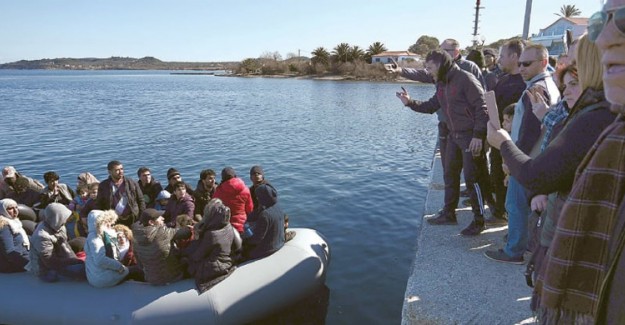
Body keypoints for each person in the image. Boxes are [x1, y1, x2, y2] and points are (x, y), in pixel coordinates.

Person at [485, 34, 613, 266]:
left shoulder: (595, 114)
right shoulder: (592, 106)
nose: (564, 68)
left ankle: (514, 249)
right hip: (545, 173)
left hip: (535, 170)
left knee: (515, 207)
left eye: (573, 63)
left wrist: (505, 148)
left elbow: (535, 147)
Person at [396, 49, 489, 236]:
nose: (427, 71)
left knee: (472, 179)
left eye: (429, 67)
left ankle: (479, 221)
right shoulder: (441, 82)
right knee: (449, 174)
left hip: (471, 137)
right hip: (454, 135)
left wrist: (478, 135)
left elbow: (483, 107)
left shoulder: (465, 79)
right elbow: (432, 106)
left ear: (440, 65)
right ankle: (449, 213)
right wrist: (409, 102)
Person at [499, 43, 561, 263]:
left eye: (527, 63)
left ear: (543, 62)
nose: (521, 67)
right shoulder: (552, 84)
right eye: (520, 63)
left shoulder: (535, 90)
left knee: (515, 205)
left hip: (527, 160)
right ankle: (523, 243)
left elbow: (528, 133)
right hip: (540, 159)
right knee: (525, 207)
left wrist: (511, 159)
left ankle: (513, 250)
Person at [487, 40, 529, 222]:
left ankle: (507, 215)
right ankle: (499, 209)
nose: (499, 60)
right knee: (496, 171)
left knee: (510, 176)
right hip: (498, 134)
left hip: (515, 140)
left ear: (514, 56)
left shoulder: (525, 83)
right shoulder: (503, 80)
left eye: (502, 56)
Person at [186, 198, 239, 293]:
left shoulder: (211, 234)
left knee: (187, 261)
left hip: (216, 266)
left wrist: (195, 240)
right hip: (228, 260)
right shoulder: (228, 226)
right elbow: (237, 245)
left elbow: (197, 256)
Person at [132, 208, 191, 285]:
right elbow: (186, 233)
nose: (163, 218)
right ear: (151, 222)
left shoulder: (136, 238)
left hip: (151, 280)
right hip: (172, 278)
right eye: (159, 217)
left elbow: (139, 264)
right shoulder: (162, 232)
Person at [28, 203, 86, 282]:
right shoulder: (42, 236)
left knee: (84, 265)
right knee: (82, 270)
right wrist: (74, 262)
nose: (66, 220)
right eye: (64, 217)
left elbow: (65, 245)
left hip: (59, 257)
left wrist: (75, 260)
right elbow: (51, 262)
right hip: (45, 267)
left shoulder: (58, 226)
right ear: (57, 218)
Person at [84, 210, 129, 288]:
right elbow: (100, 260)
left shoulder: (97, 235)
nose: (109, 224)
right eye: (105, 221)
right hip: (101, 278)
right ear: (99, 223)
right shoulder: (95, 237)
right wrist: (119, 267)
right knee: (129, 270)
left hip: (95, 275)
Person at [96, 160, 145, 227]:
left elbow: (141, 200)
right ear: (110, 172)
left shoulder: (131, 183)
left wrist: (141, 217)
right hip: (114, 220)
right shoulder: (103, 186)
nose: (121, 172)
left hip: (133, 218)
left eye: (121, 169)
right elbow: (99, 204)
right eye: (117, 170)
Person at [244, 184, 286, 260]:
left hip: (268, 249)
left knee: (242, 252)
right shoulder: (277, 206)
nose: (257, 198)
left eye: (258, 196)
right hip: (280, 242)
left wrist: (245, 239)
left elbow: (257, 239)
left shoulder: (265, 215)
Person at [213, 167, 253, 234]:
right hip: (242, 225)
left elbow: (214, 209)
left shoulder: (218, 191)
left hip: (226, 226)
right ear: (234, 175)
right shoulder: (245, 189)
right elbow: (250, 209)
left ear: (223, 178)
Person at [0, 199, 30, 273]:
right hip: (14, 263)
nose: (15, 210)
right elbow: (9, 252)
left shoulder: (14, 222)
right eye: (10, 208)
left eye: (16, 207)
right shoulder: (4, 226)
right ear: (2, 210)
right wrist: (29, 265)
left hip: (22, 257)